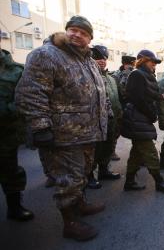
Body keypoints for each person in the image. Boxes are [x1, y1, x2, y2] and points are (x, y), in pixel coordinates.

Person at [15, 15, 108, 241]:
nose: (77, 35)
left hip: (87, 132)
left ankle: (80, 204)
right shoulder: (46, 55)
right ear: (66, 31)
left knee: (83, 173)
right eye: (73, 30)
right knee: (68, 179)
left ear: (89, 39)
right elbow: (30, 92)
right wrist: (40, 127)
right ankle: (70, 222)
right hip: (63, 135)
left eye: (83, 33)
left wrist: (106, 117)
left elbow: (98, 93)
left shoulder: (87, 60)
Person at [121, 49, 164, 192]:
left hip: (141, 119)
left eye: (156, 63)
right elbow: (137, 99)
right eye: (153, 62)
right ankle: (159, 181)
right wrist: (151, 114)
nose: (154, 65)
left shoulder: (146, 75)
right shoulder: (137, 74)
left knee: (137, 153)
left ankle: (129, 182)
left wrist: (161, 96)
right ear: (143, 61)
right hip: (137, 119)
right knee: (150, 152)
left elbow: (150, 93)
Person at [0, 29, 34, 221]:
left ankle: (15, 207)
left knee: (10, 172)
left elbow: (24, 99)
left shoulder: (16, 70)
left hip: (5, 133)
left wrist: (6, 111)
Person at [87, 45, 122, 189]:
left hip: (112, 120)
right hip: (94, 121)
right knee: (93, 150)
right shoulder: (88, 75)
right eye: (98, 58)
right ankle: (89, 176)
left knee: (107, 147)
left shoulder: (112, 78)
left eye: (104, 58)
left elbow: (117, 98)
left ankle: (103, 170)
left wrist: (120, 114)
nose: (102, 61)